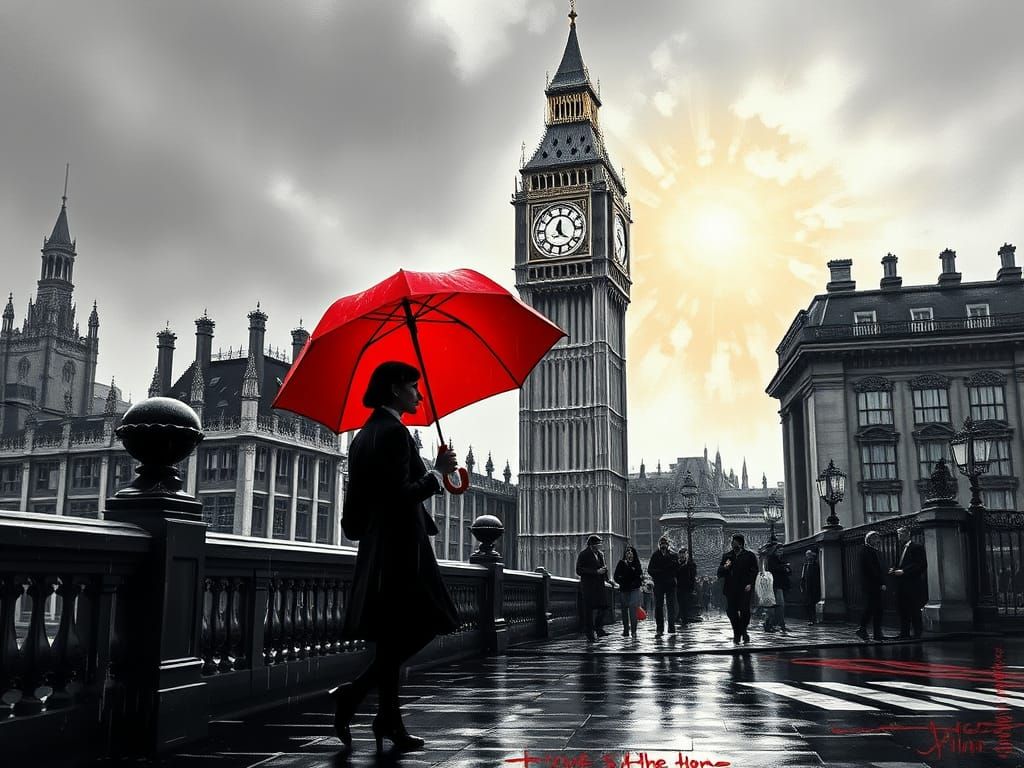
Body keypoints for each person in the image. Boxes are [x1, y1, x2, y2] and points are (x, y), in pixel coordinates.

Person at [332, 361, 460, 753]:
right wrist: (437, 474)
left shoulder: (363, 436)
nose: (419, 395)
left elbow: (356, 508)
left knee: (390, 639)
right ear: (394, 390)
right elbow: (399, 495)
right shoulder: (394, 434)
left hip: (377, 549)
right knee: (430, 622)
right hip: (403, 551)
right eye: (413, 387)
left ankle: (388, 720)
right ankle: (354, 694)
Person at [717, 534, 759, 644]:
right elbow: (720, 572)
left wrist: (750, 583)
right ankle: (737, 633)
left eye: (734, 542)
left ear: (740, 543)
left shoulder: (749, 556)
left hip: (744, 588)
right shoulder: (728, 556)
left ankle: (743, 631)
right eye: (732, 542)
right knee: (731, 612)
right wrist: (725, 567)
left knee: (745, 612)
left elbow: (754, 571)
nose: (732, 544)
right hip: (731, 589)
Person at [890, 525, 927, 639]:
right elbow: (899, 563)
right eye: (898, 534)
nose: (899, 536)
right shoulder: (900, 548)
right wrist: (894, 569)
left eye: (901, 534)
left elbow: (921, 565)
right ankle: (904, 633)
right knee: (903, 609)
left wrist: (904, 571)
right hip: (901, 584)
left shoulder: (917, 547)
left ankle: (917, 633)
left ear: (908, 534)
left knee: (914, 608)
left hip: (913, 583)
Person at [576, 535, 609, 642]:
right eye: (598, 543)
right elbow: (579, 570)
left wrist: (607, 579)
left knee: (603, 607)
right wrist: (595, 572)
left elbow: (603, 568)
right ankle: (590, 633)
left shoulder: (600, 554)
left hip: (599, 586)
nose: (600, 545)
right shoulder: (584, 554)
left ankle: (599, 628)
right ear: (592, 544)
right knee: (588, 611)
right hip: (588, 587)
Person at [856, 530, 887, 642]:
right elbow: (872, 569)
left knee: (875, 609)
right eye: (876, 539)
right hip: (872, 585)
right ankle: (865, 630)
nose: (878, 541)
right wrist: (881, 583)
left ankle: (875, 632)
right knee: (873, 609)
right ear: (870, 540)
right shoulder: (867, 551)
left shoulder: (869, 550)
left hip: (871, 585)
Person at [647, 537, 678, 636]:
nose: (663, 545)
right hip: (659, 584)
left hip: (670, 584)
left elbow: (676, 569)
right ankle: (659, 628)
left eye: (665, 543)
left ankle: (671, 627)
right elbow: (650, 570)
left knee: (671, 606)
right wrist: (660, 573)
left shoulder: (673, 555)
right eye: (662, 543)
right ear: (659, 545)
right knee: (659, 607)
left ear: (667, 545)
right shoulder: (655, 555)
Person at [613, 545, 643, 637]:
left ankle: (634, 631)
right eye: (627, 552)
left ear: (634, 554)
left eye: (631, 552)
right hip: (624, 590)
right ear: (625, 554)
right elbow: (616, 576)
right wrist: (622, 581)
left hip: (634, 590)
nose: (629, 554)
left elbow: (639, 577)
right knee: (624, 611)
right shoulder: (621, 563)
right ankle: (626, 630)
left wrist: (635, 583)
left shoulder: (636, 563)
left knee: (633, 610)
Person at [764, 543, 791, 635]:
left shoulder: (780, 559)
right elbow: (774, 569)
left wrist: (785, 568)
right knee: (773, 607)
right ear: (774, 551)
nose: (781, 553)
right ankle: (769, 625)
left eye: (782, 551)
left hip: (779, 585)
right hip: (773, 586)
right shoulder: (771, 559)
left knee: (780, 606)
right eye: (779, 551)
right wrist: (784, 567)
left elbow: (788, 570)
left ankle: (780, 625)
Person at [675, 547, 697, 628]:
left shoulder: (691, 564)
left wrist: (691, 587)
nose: (682, 556)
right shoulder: (676, 564)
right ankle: (682, 618)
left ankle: (684, 620)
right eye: (680, 555)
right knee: (681, 604)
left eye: (683, 555)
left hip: (687, 588)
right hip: (679, 588)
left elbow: (693, 576)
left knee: (685, 604)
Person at [799, 550, 821, 625]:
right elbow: (802, 577)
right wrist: (802, 586)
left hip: (815, 587)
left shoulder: (816, 565)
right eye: (807, 555)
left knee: (814, 602)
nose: (809, 557)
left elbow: (818, 576)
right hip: (807, 587)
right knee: (808, 603)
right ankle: (810, 619)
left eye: (810, 556)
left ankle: (814, 618)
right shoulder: (805, 565)